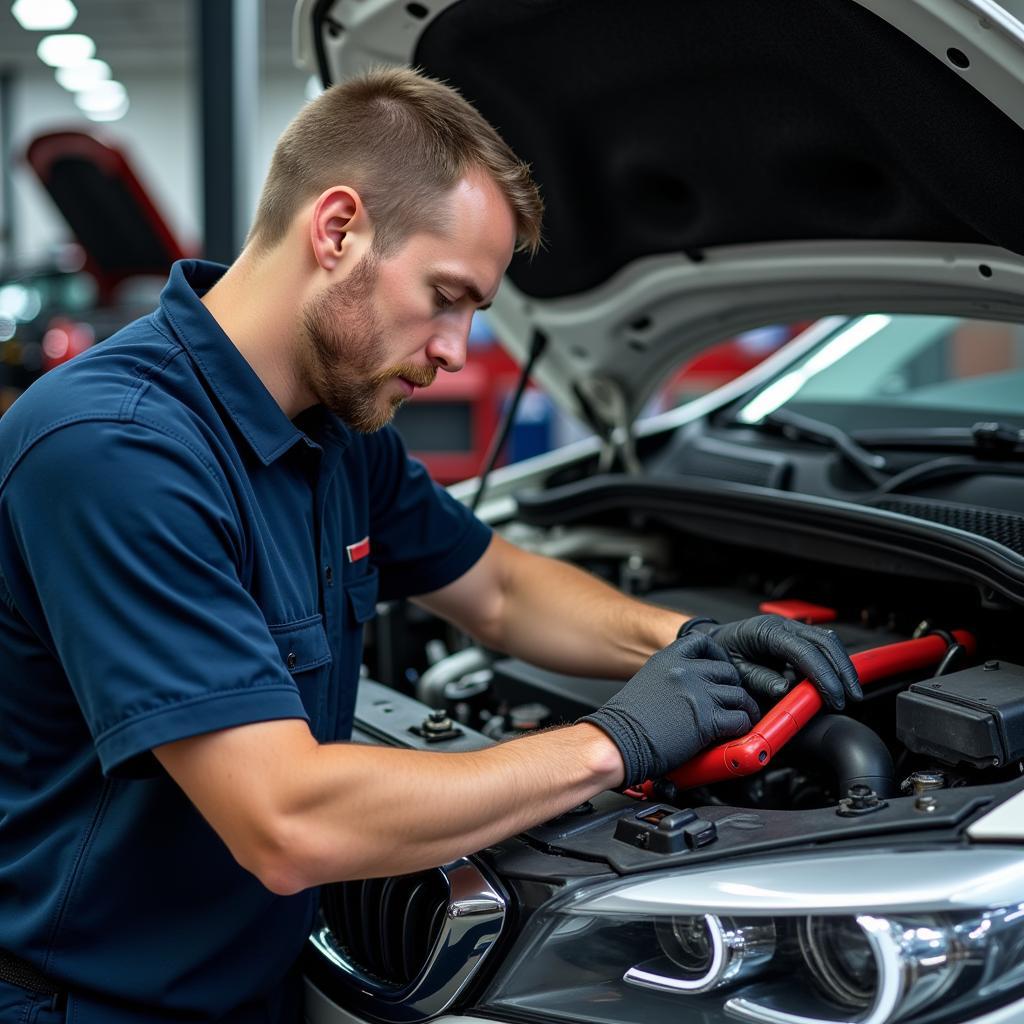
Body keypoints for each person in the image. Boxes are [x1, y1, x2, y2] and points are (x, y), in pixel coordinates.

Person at [0, 69, 860, 1023]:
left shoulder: (335, 427)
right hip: (96, 1004)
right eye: (445, 295)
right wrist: (611, 742)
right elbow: (286, 821)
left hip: (260, 980)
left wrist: (693, 641)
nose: (453, 350)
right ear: (337, 231)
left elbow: (496, 589)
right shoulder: (114, 449)